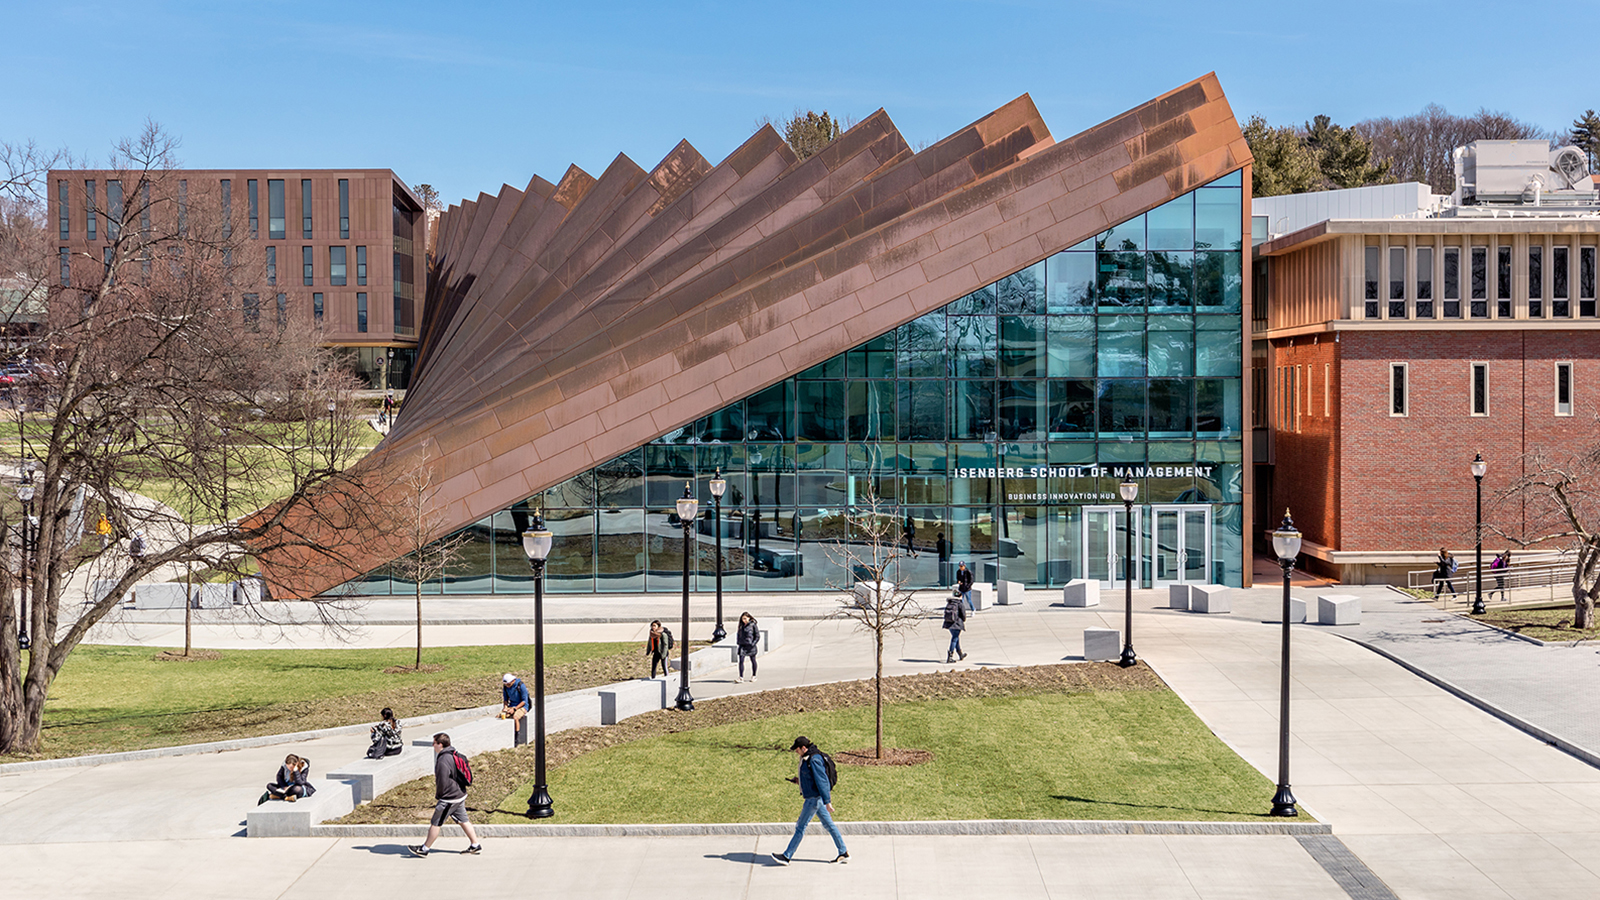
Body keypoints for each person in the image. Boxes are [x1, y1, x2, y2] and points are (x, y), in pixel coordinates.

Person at [770, 736, 848, 866]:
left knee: (800, 826)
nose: (796, 752)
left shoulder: (814, 759)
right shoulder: (807, 758)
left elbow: (822, 781)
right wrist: (799, 781)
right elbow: (811, 778)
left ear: (804, 748)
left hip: (814, 799)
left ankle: (787, 856)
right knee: (829, 825)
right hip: (815, 798)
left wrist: (827, 802)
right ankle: (843, 852)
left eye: (797, 749)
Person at [408, 733, 482, 857]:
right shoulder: (453, 754)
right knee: (463, 820)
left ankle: (424, 849)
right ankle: (475, 845)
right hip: (459, 793)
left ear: (440, 744)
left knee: (436, 822)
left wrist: (440, 796)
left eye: (434, 743)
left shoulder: (443, 759)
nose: (433, 746)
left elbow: (442, 780)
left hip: (449, 798)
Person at [943, 589, 968, 663]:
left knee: (956, 638)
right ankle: (950, 656)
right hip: (956, 624)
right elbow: (963, 615)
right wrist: (963, 620)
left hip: (949, 623)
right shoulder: (960, 603)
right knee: (954, 639)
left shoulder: (950, 602)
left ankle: (960, 654)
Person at [736, 612, 760, 682]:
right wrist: (738, 642)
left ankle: (754, 675)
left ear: (749, 618)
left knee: (753, 660)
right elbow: (738, 634)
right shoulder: (741, 626)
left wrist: (753, 643)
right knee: (741, 661)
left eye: (745, 618)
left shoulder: (753, 625)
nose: (744, 620)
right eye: (742, 619)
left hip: (750, 645)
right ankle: (741, 677)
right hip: (742, 645)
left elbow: (757, 636)